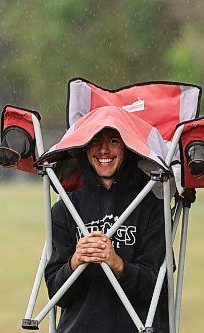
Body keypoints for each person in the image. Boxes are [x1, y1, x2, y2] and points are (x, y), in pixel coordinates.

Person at [45, 127, 169, 333]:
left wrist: (118, 264)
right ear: (84, 148)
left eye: (113, 141)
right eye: (95, 141)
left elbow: (159, 288)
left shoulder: (152, 207)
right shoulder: (65, 208)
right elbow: (57, 294)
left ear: (127, 147)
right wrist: (76, 262)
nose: (103, 150)